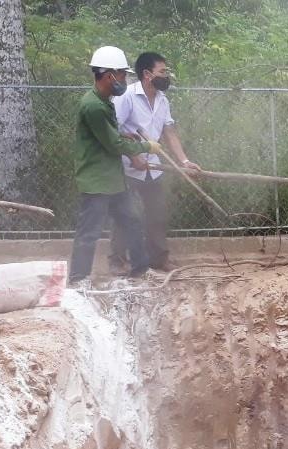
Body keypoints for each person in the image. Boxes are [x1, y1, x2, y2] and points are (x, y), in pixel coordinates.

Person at [69, 45, 163, 284]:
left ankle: (140, 269)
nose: (124, 78)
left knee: (131, 222)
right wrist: (146, 147)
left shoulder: (103, 100)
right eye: (122, 74)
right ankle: (78, 278)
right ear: (109, 74)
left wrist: (127, 138)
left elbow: (111, 136)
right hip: (97, 180)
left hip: (112, 179)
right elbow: (112, 144)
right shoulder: (93, 106)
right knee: (89, 232)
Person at [109, 52, 201, 274]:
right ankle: (117, 261)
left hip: (153, 166)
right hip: (127, 167)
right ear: (147, 74)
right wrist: (133, 156)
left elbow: (169, 132)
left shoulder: (162, 99)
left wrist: (184, 161)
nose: (166, 75)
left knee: (157, 213)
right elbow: (113, 130)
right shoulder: (126, 97)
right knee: (126, 214)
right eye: (163, 71)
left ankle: (158, 259)